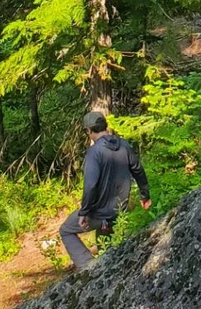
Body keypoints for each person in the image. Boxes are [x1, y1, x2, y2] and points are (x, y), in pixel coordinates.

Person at [59, 111, 151, 270]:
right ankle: (105, 271)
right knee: (105, 246)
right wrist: (145, 195)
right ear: (105, 125)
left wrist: (84, 212)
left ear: (88, 131)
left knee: (66, 230)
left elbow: (90, 186)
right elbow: (138, 171)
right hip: (119, 210)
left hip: (98, 212)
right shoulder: (124, 145)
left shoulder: (94, 153)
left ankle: (88, 268)